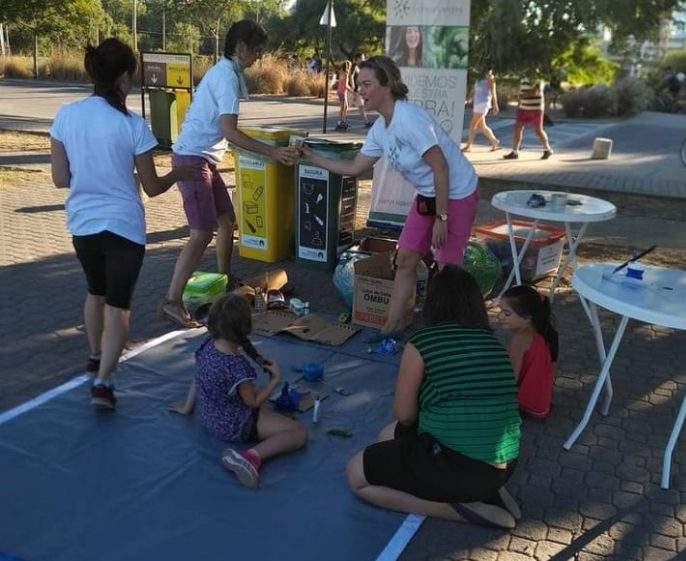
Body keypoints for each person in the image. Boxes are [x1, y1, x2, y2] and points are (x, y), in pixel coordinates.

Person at [50, 38, 192, 410]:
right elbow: (152, 187)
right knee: (119, 307)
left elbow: (60, 179)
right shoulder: (132, 125)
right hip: (124, 228)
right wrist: (179, 174)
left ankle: (96, 356)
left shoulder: (65, 116)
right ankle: (104, 383)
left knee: (95, 293)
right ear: (126, 78)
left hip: (82, 225)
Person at [300, 56, 479, 334]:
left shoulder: (409, 118)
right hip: (428, 194)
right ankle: (392, 324)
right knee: (405, 258)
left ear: (388, 86)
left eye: (367, 84)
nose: (360, 90)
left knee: (446, 272)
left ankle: (447, 332)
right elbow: (354, 167)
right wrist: (310, 157)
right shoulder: (380, 129)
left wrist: (442, 217)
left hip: (456, 192)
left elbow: (441, 167)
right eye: (358, 84)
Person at [346, 266, 522, 528]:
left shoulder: (423, 341)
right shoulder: (492, 342)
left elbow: (405, 415)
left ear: (433, 303)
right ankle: (488, 490)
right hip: (504, 465)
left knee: (356, 475)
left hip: (462, 467)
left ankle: (458, 508)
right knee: (387, 435)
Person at [161, 20, 299, 328]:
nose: (259, 57)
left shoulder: (228, 73)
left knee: (227, 221)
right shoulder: (226, 77)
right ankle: (171, 300)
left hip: (203, 158)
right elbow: (230, 131)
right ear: (240, 48)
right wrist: (273, 152)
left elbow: (227, 132)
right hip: (191, 158)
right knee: (200, 233)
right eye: (257, 50)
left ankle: (223, 278)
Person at [169, 293, 308, 488]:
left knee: (277, 419)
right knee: (298, 433)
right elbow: (252, 402)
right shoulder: (238, 367)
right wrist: (275, 379)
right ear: (245, 328)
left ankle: (254, 446)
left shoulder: (208, 345)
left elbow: (198, 377)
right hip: (233, 425)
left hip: (209, 416)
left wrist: (186, 407)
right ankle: (250, 457)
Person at [498, 285, 558, 418]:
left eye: (507, 313)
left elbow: (511, 378)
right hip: (541, 402)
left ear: (527, 317)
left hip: (527, 404)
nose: (500, 316)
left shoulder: (520, 339)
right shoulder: (543, 332)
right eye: (500, 310)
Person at [503, 76, 553, 160]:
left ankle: (547, 149)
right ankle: (514, 151)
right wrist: (519, 102)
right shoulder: (523, 77)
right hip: (523, 107)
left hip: (535, 108)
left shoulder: (538, 77)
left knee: (538, 130)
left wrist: (519, 97)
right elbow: (523, 91)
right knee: (517, 128)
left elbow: (534, 92)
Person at [461, 65, 500, 152]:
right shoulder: (479, 79)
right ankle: (494, 141)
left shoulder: (491, 79)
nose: (489, 72)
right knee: (482, 126)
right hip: (477, 104)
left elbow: (494, 93)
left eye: (490, 71)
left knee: (472, 124)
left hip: (484, 103)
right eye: (487, 71)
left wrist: (495, 105)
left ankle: (469, 145)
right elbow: (474, 91)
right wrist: (468, 99)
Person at [348, 52, 373, 128]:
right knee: (360, 106)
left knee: (359, 106)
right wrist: (353, 89)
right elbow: (351, 76)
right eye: (362, 58)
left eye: (364, 57)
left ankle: (342, 121)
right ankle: (366, 122)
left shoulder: (359, 67)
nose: (363, 59)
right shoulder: (354, 66)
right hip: (355, 90)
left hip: (358, 90)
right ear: (358, 59)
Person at [335, 60, 351, 131]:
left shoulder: (341, 73)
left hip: (341, 91)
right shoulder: (345, 74)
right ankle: (340, 122)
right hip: (342, 92)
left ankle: (343, 121)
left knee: (345, 107)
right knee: (343, 107)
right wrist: (353, 91)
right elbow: (346, 85)